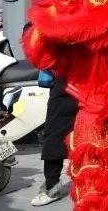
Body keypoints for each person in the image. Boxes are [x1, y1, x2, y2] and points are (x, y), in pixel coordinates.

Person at [31, 69, 78, 206]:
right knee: (55, 135)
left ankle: (52, 186)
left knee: (93, 136)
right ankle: (52, 186)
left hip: (84, 80)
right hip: (70, 82)